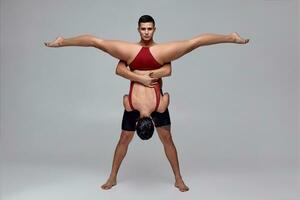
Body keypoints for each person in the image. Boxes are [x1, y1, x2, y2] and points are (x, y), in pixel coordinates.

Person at [44, 15, 249, 192]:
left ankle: (178, 178)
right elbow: (119, 69)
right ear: (138, 29)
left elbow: (168, 69)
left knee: (191, 44)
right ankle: (112, 176)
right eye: (143, 29)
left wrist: (152, 73)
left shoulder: (161, 51)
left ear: (154, 29)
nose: (146, 32)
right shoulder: (130, 50)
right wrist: (144, 79)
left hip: (153, 63)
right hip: (139, 67)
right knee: (99, 43)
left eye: (149, 28)